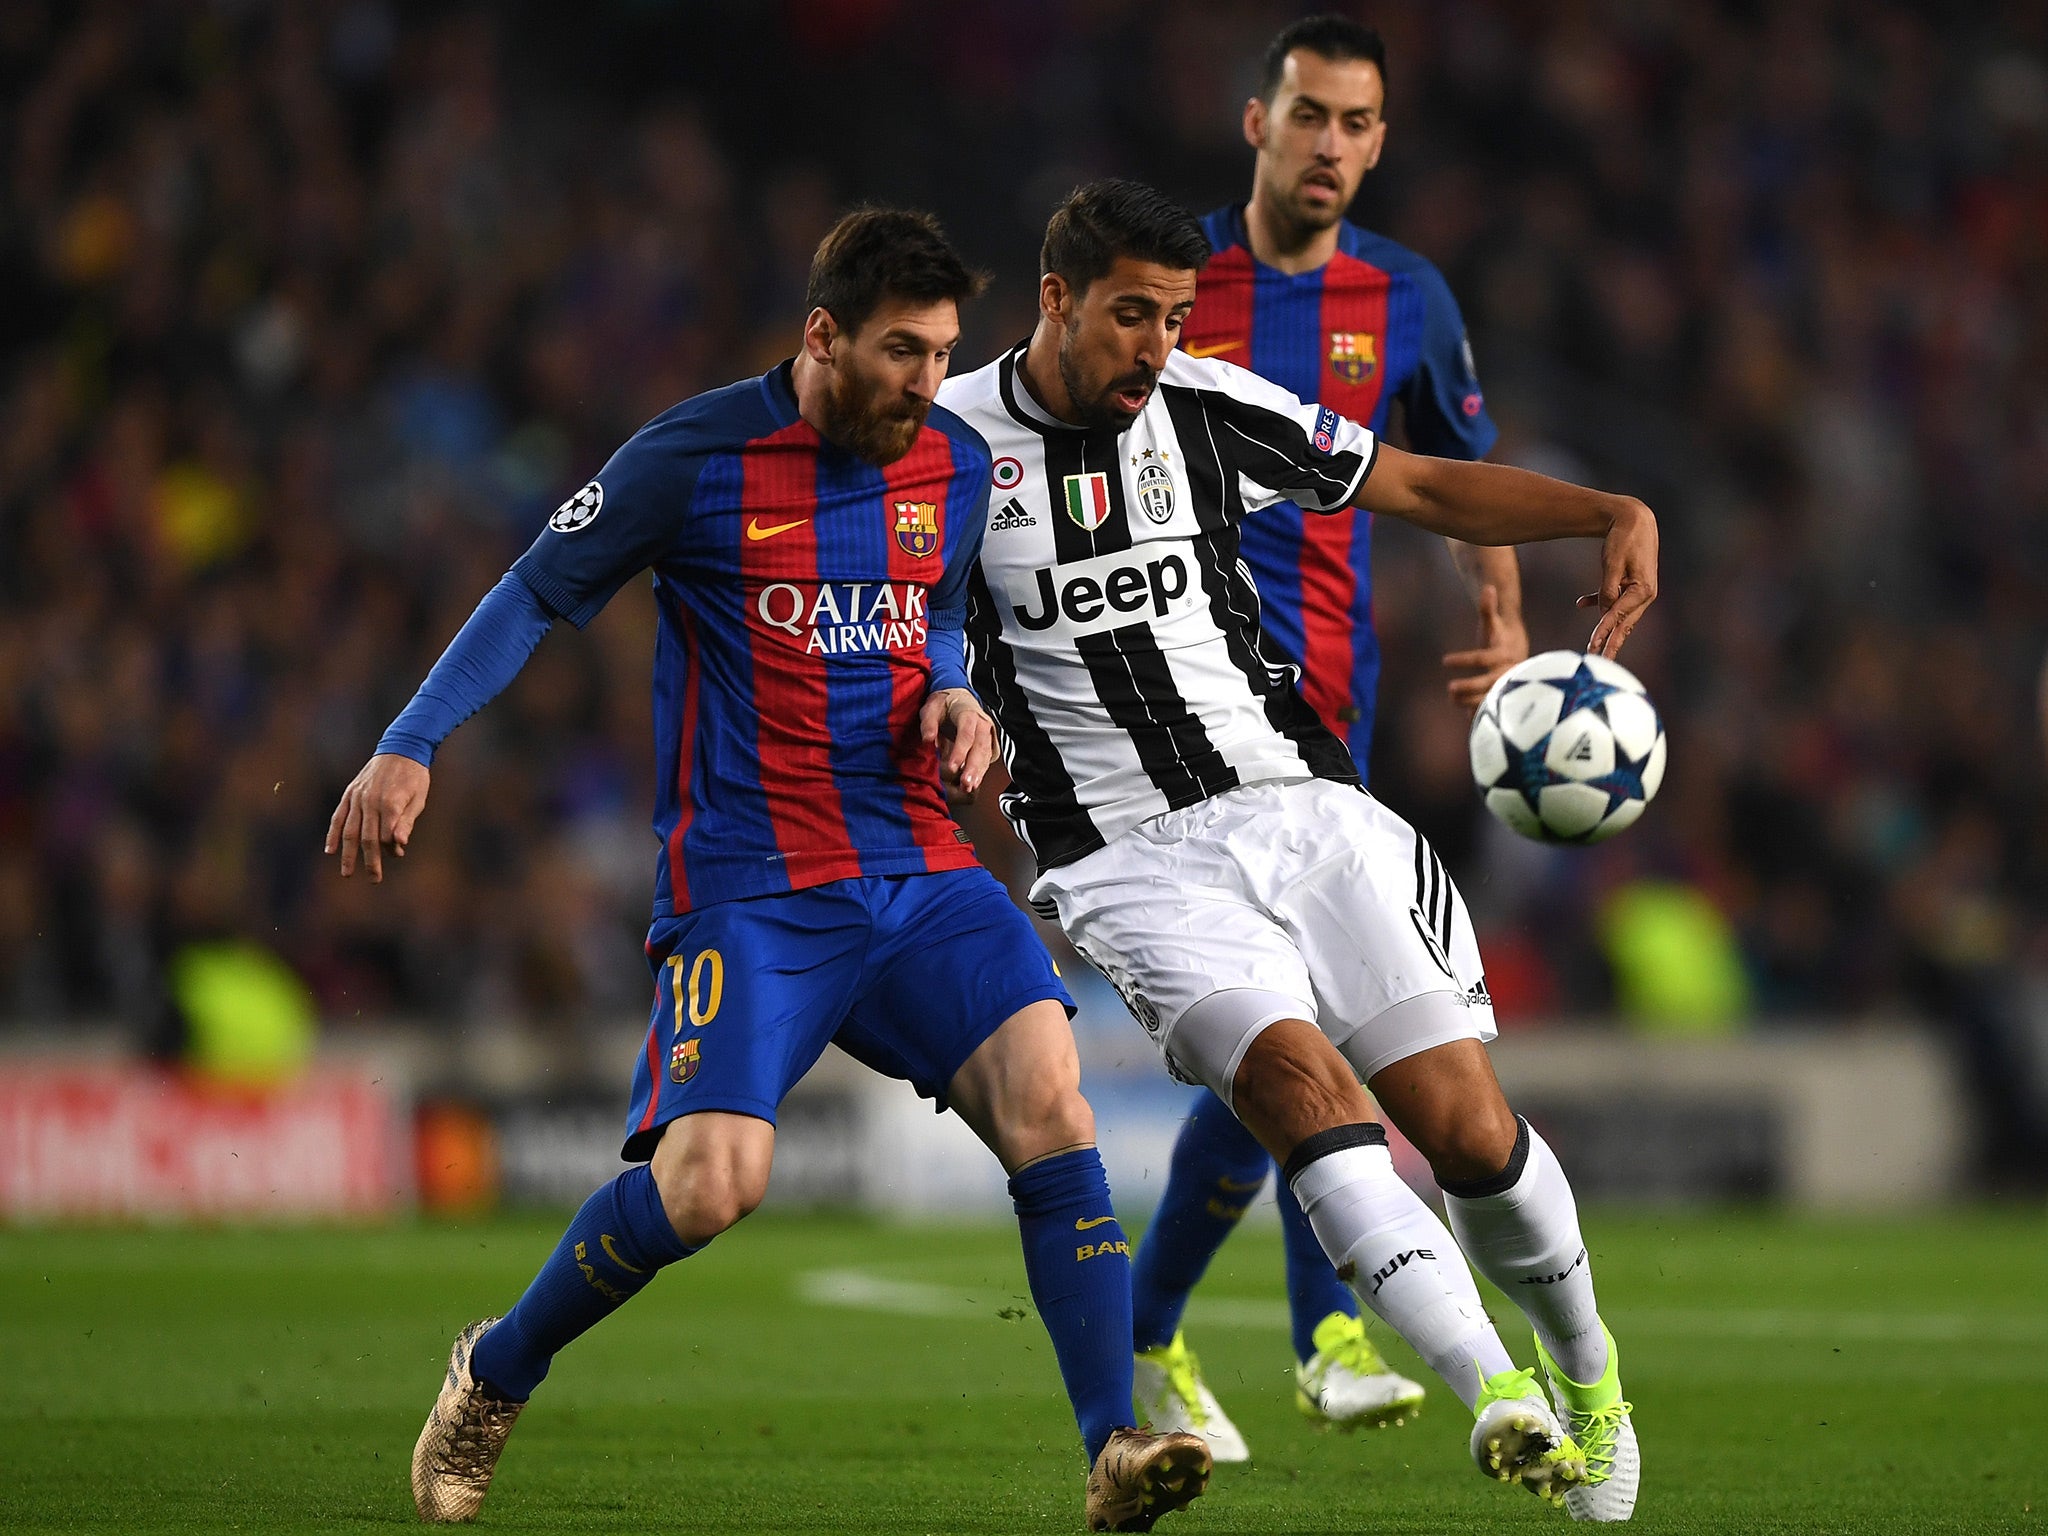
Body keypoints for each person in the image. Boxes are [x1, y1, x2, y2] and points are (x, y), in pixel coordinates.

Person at [326, 207, 1210, 1534]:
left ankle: (1112, 1446)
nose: (927, 382)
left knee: (1052, 1101)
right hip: (752, 886)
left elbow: (943, 614)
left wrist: (958, 697)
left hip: (916, 865)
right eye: (902, 351)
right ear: (822, 337)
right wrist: (409, 746)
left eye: (943, 352)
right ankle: (497, 1368)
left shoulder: (958, 466)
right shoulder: (693, 458)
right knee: (712, 1186)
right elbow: (531, 593)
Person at [939, 179, 1646, 1520]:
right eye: (1130, 317)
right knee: (1306, 1096)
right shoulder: (951, 447)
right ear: (1054, 301)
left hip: (1302, 808)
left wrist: (1605, 510)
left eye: (1175, 317)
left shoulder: (1208, 402)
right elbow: (895, 608)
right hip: (1122, 862)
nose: (1156, 347)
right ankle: (1499, 1393)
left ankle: (1590, 1379)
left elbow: (1423, 481)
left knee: (1471, 1132)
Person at [1131, 13, 1528, 1462]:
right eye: (1309, 115)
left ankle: (1158, 1331)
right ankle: (1322, 1334)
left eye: (1359, 124)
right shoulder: (1167, 277)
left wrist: (1502, 621)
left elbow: (1458, 474)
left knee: (1280, 1051)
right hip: (1181, 707)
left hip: (1331, 707)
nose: (1332, 146)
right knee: (1312, 1026)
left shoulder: (1404, 296)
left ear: (1379, 138)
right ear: (1257, 121)